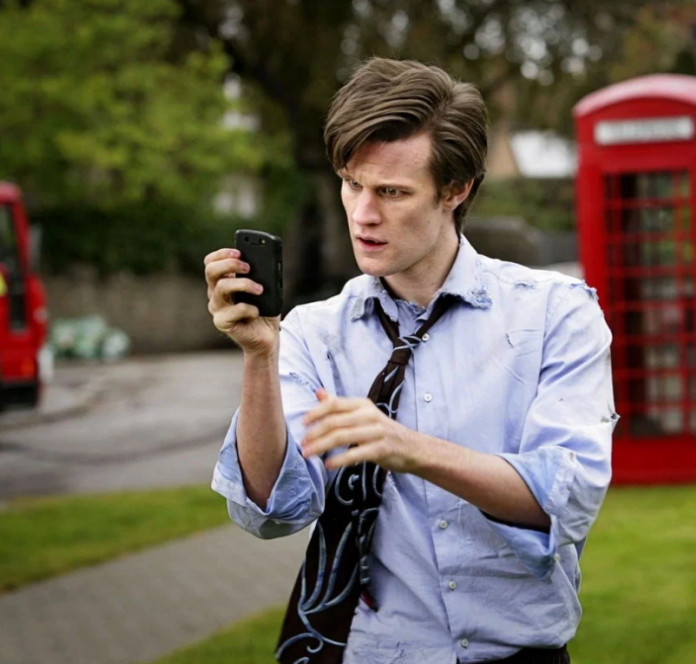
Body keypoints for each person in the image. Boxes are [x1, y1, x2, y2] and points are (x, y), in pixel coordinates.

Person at [206, 57, 616, 664]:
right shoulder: (313, 333)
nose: (363, 214)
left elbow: (566, 496)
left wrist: (410, 449)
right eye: (352, 184)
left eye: (392, 192)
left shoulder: (555, 313)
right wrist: (260, 358)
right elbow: (272, 509)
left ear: (456, 189)